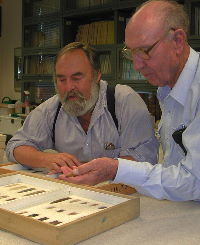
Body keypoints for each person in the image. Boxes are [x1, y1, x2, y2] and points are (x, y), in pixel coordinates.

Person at [59, 0, 200, 202]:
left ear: (177, 41)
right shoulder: (166, 89)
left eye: (144, 51)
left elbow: (194, 182)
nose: (136, 65)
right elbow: (175, 172)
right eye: (131, 53)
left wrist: (116, 169)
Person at [6, 42, 157, 173]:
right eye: (61, 79)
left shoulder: (124, 101)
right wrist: (46, 159)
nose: (69, 87)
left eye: (77, 78)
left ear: (97, 75)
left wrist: (105, 169)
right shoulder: (53, 108)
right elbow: (15, 146)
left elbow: (145, 158)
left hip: (123, 196)